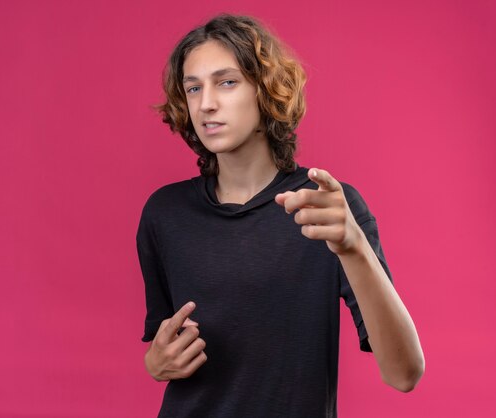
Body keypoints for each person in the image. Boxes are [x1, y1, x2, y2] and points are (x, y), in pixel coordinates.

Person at [136, 13, 424, 418]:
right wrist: (155, 364)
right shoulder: (165, 214)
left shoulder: (326, 208)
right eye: (193, 88)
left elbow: (404, 374)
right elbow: (164, 346)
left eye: (227, 82)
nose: (206, 103)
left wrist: (354, 246)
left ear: (267, 89)